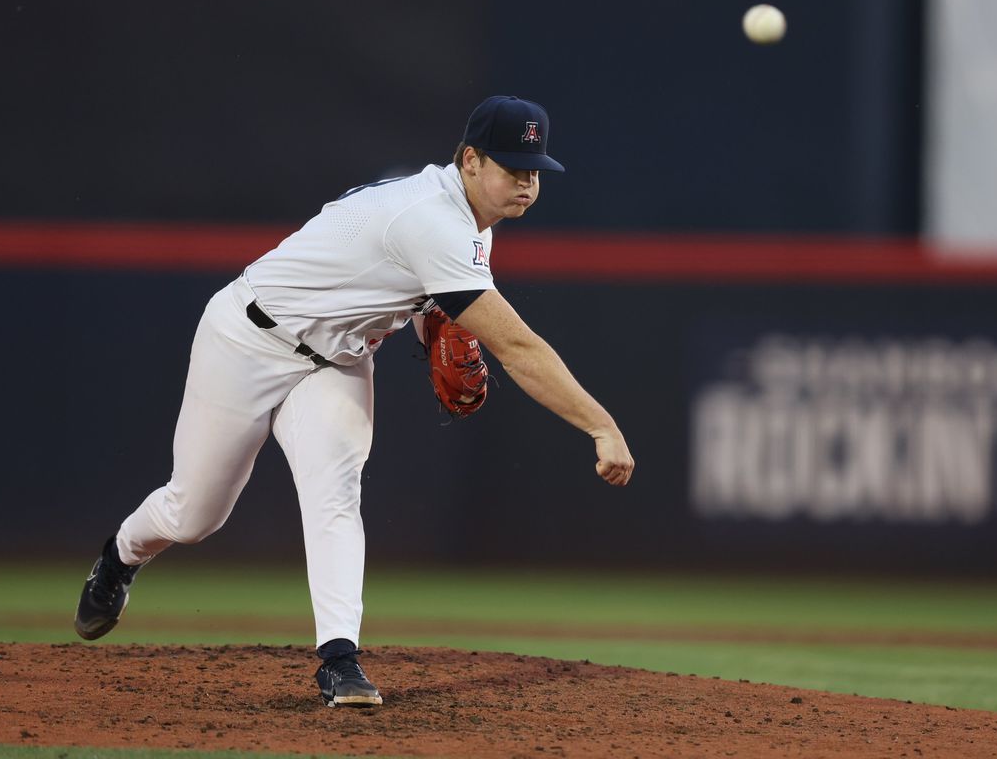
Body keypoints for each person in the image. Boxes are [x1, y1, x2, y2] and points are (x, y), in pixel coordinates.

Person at [73, 95, 635, 707]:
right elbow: (518, 348)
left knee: (336, 492)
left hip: (336, 362)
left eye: (535, 171)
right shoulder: (431, 218)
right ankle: (120, 556)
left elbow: (417, 295)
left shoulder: (470, 223)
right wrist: (601, 426)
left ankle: (339, 660)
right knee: (195, 515)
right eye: (513, 168)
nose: (527, 183)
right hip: (247, 339)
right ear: (471, 161)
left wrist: (429, 324)